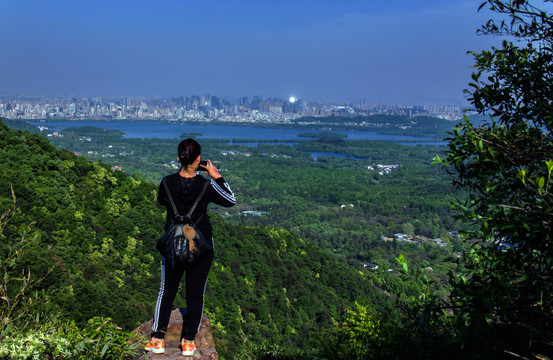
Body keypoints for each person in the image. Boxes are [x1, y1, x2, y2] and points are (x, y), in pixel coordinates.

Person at [145, 138, 236, 356]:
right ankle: (188, 342)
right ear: (199, 160)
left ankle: (157, 339)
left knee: (166, 291)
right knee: (195, 294)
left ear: (178, 159)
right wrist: (216, 176)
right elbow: (230, 200)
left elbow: (161, 200)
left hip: (173, 245)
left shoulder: (165, 182)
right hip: (201, 247)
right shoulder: (206, 186)